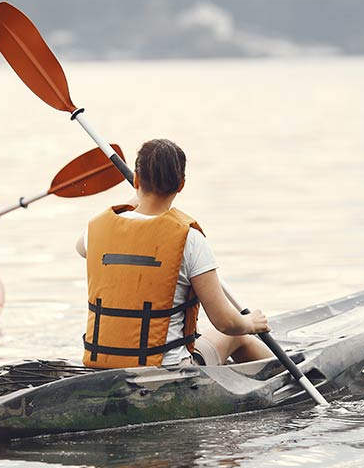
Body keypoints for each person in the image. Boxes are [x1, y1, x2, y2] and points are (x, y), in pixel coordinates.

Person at [75, 138, 270, 369]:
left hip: (103, 367)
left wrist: (136, 199)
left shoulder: (96, 229)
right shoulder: (189, 239)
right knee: (237, 336)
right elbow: (226, 322)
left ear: (136, 179)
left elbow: (81, 247)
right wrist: (251, 323)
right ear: (181, 185)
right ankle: (288, 377)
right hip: (168, 371)